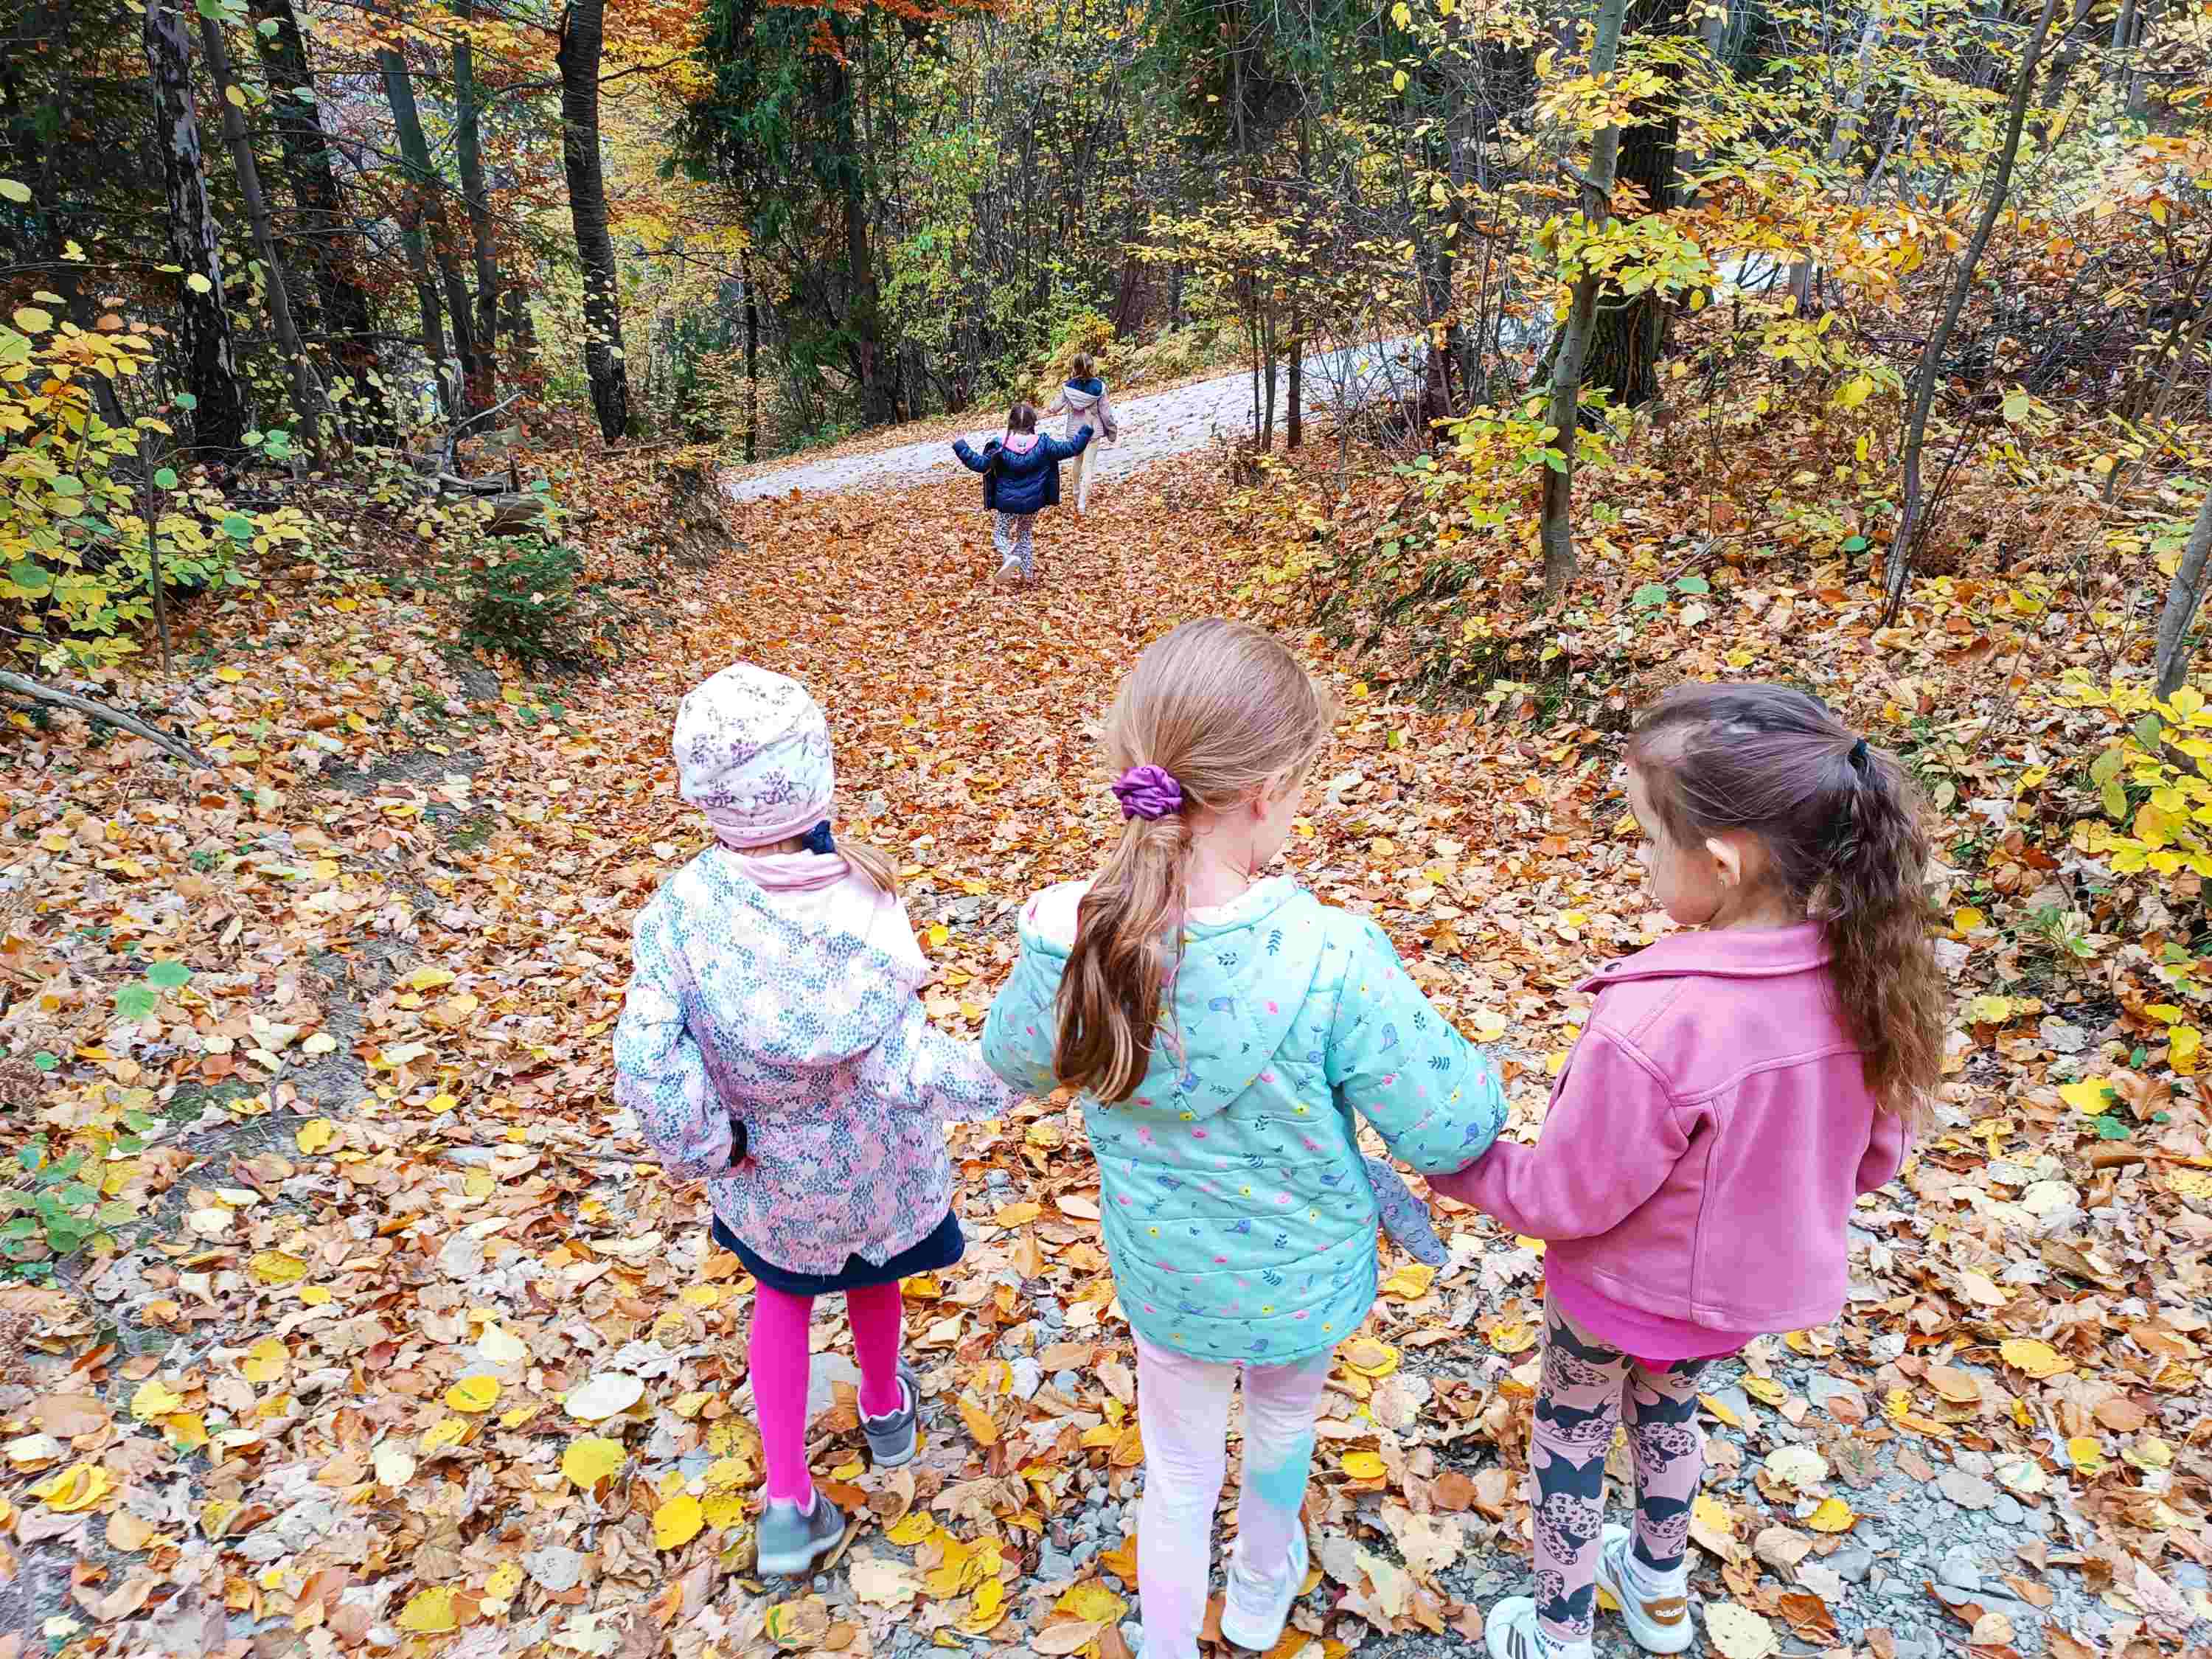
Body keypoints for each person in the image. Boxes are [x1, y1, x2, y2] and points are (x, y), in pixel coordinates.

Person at [981, 619, 1505, 1659]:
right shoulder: (1332, 955)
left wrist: (1044, 946)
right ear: (1268, 792)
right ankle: (1261, 1593)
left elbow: (1013, 1060)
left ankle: (1170, 1638)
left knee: (1177, 1468)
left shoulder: (1082, 939)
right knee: (1282, 1426)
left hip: (1170, 1279)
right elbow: (1450, 1125)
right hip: (1303, 1278)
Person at [1432, 682, 1943, 1659]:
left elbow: (1565, 1197)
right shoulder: (1869, 980)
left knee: (1574, 1431)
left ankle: (1558, 1631)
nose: (1641, 859)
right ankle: (1659, 1591)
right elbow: (1876, 1158)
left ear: (1722, 860)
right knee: (1669, 1410)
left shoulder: (1659, 1022)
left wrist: (1461, 1167)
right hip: (1731, 1301)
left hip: (1615, 1291)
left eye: (1647, 838)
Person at [613, 664, 1015, 1579]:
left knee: (783, 1299)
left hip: (770, 1173)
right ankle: (884, 1410)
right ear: (816, 775)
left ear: (702, 788)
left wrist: (711, 1148)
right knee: (878, 1271)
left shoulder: (680, 913)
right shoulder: (865, 898)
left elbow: (647, 1058)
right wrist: (1009, 1073)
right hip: (880, 1159)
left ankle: (789, 1505)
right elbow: (908, 1065)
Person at [952, 401, 1091, 584]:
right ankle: (1028, 576)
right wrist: (1086, 428)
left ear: (1011, 422)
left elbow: (980, 464)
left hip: (1007, 503)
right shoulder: (1044, 443)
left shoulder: (1000, 446)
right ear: (1033, 422)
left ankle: (1008, 556)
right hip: (1033, 503)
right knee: (1024, 534)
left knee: (1000, 534)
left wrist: (960, 445)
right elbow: (1072, 448)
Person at [1044, 352, 1120, 516]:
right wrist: (1112, 431)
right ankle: (1082, 504)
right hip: (1093, 431)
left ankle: (1075, 492)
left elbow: (1055, 407)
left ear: (1074, 367)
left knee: (1077, 461)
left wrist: (1050, 408)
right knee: (1088, 466)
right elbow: (1106, 414)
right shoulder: (1099, 387)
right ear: (1092, 367)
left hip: (1075, 432)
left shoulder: (1068, 387)